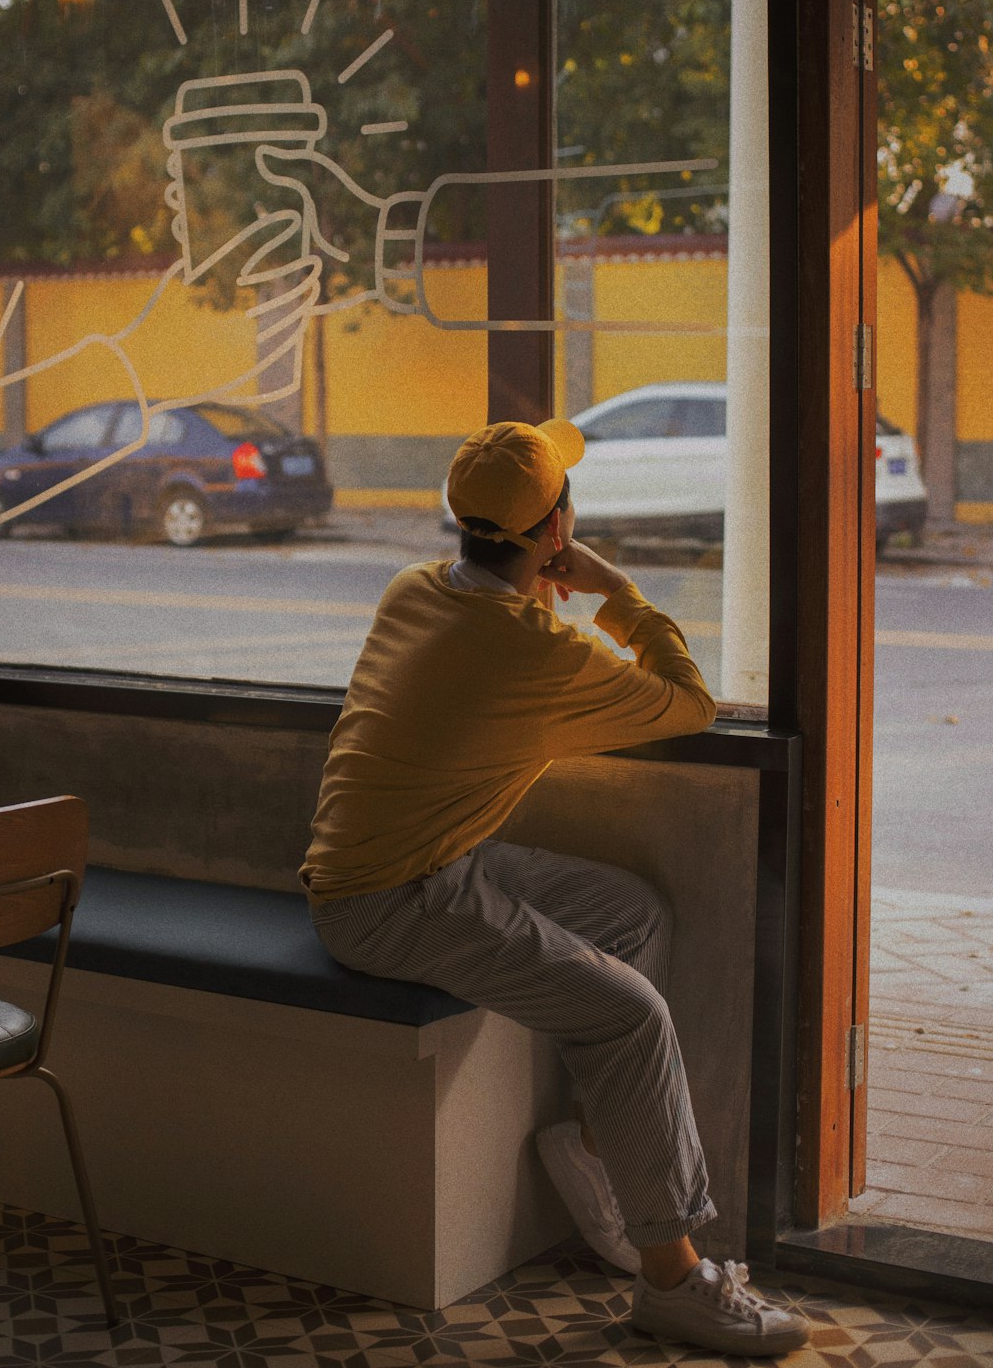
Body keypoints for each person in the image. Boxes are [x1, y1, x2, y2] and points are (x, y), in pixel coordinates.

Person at [300, 416, 810, 1356]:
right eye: (566, 501)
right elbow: (690, 701)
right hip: (387, 901)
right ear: (553, 532)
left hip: (425, 856)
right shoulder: (536, 652)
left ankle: (595, 1145)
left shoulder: (414, 588)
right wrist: (614, 592)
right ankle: (675, 1278)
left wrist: (554, 581)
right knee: (633, 1014)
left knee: (631, 912)